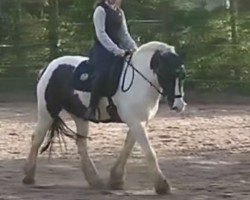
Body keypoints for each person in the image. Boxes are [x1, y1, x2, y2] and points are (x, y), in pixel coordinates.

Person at [84, 0, 138, 122]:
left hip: (119, 50)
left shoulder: (119, 12)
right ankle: (91, 108)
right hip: (102, 51)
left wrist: (134, 49)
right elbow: (101, 34)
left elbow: (124, 34)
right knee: (102, 73)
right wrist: (116, 50)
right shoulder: (100, 10)